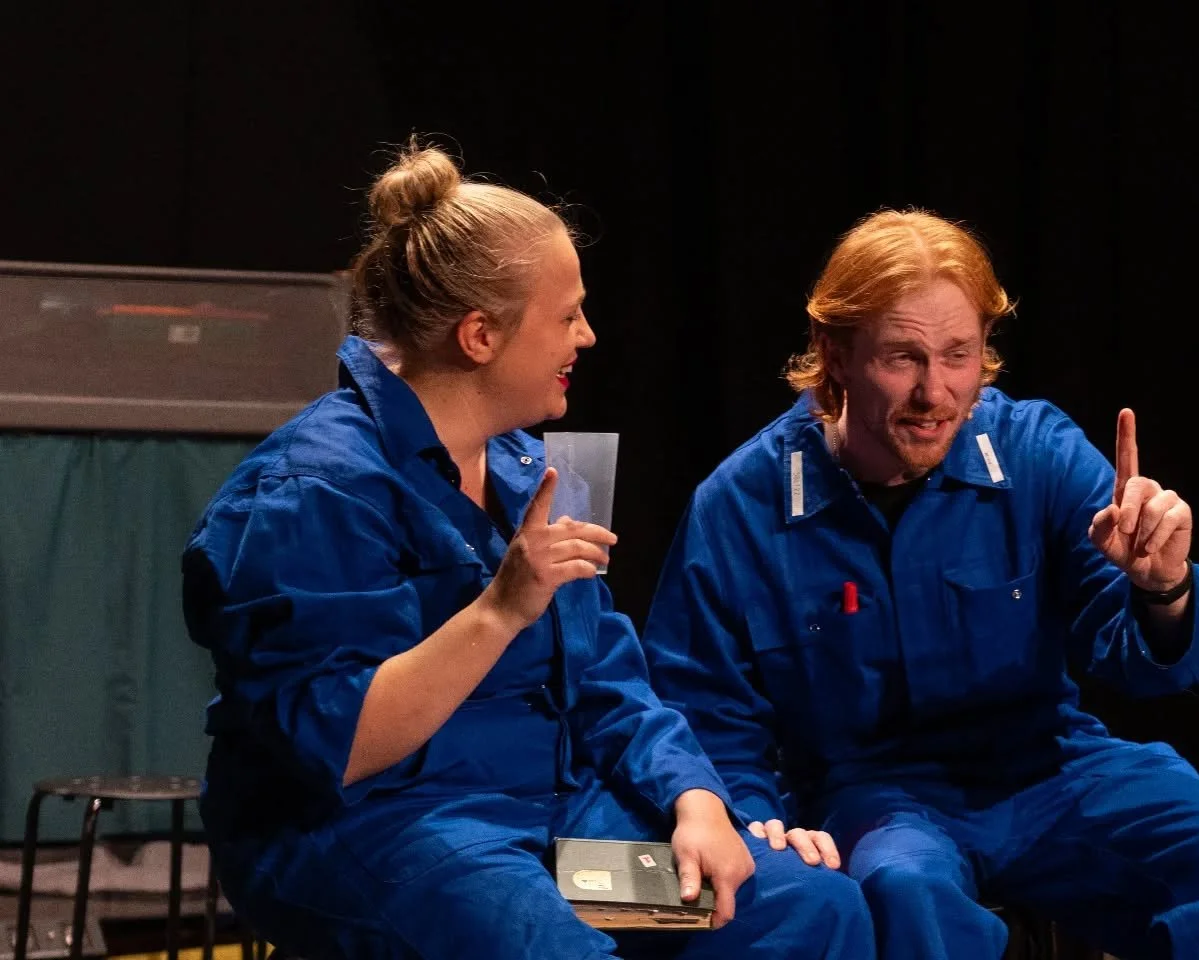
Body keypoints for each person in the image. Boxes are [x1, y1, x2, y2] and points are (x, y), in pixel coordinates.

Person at [181, 143, 874, 960]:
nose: (588, 335)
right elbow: (341, 744)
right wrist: (500, 610)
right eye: (567, 316)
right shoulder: (314, 489)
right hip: (380, 829)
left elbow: (606, 676)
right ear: (480, 335)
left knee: (809, 910)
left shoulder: (528, 472)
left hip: (553, 820)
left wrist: (694, 798)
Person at [642, 209, 1199, 959]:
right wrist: (755, 821)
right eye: (902, 358)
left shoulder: (1035, 451)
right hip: (874, 797)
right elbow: (702, 709)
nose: (934, 392)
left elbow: (1138, 658)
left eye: (958, 356)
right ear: (835, 353)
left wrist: (1164, 589)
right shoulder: (743, 504)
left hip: (1053, 768)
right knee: (906, 889)